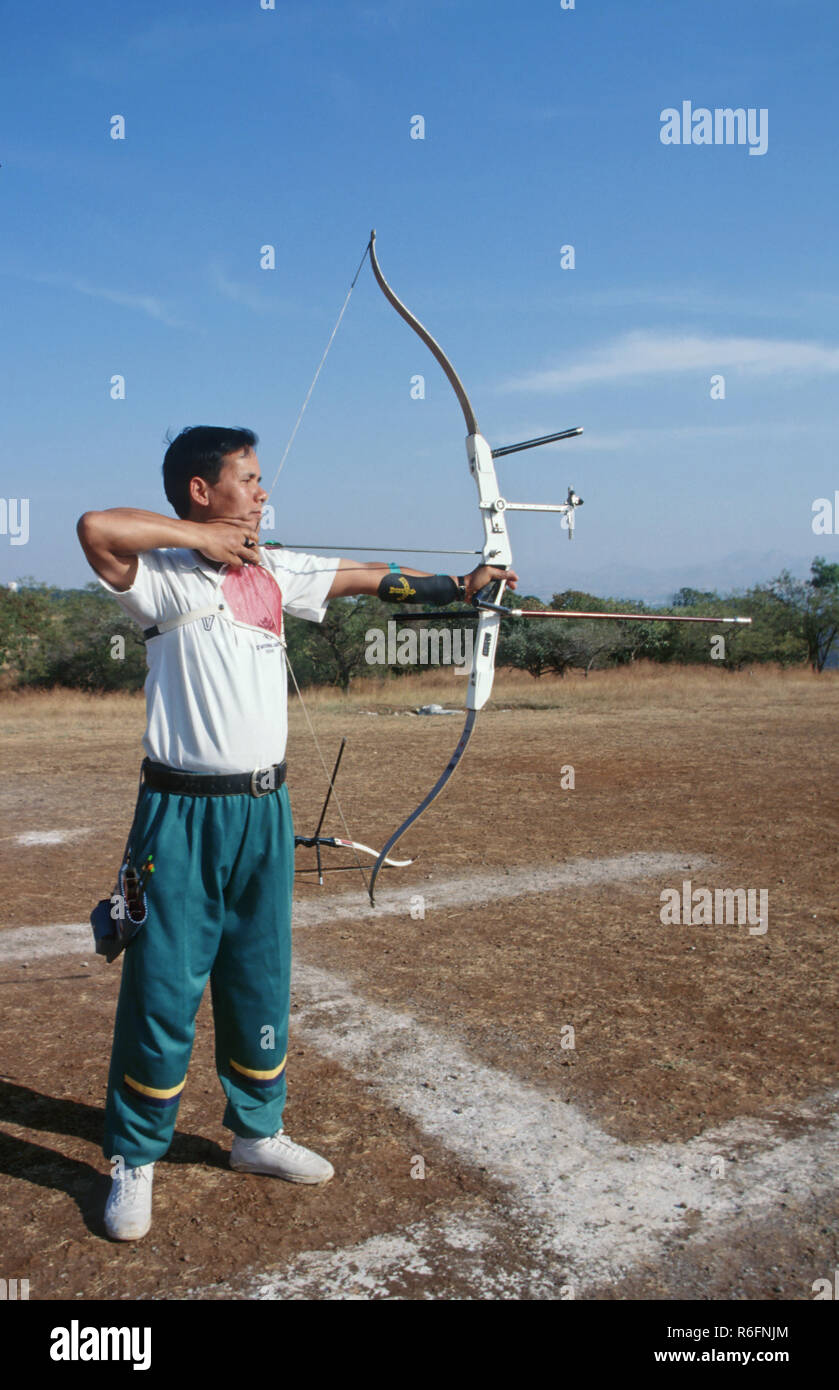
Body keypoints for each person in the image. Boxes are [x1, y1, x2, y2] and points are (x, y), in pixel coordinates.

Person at [77, 425, 516, 1242]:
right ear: (202, 490)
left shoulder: (273, 569)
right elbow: (96, 527)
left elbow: (367, 577)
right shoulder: (162, 576)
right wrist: (201, 539)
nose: (262, 490)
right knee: (163, 986)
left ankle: (256, 1132)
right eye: (247, 478)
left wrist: (460, 583)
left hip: (263, 811)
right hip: (180, 813)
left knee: (259, 974)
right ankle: (135, 1155)